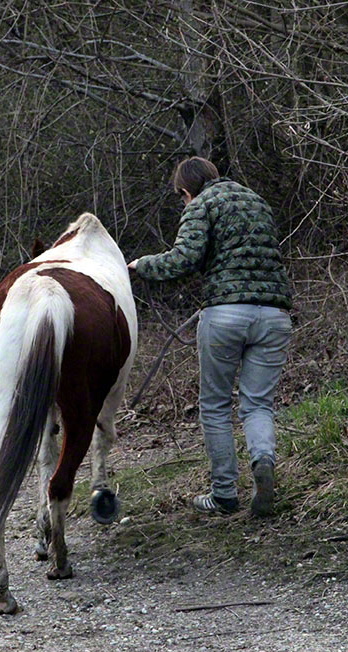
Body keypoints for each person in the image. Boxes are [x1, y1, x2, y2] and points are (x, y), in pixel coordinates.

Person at [127, 157, 292, 517]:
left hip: (226, 315)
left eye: (180, 197)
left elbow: (184, 258)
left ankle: (224, 495)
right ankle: (263, 462)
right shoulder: (255, 200)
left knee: (215, 406)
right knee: (258, 404)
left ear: (186, 191)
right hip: (275, 316)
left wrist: (142, 266)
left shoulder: (201, 205)